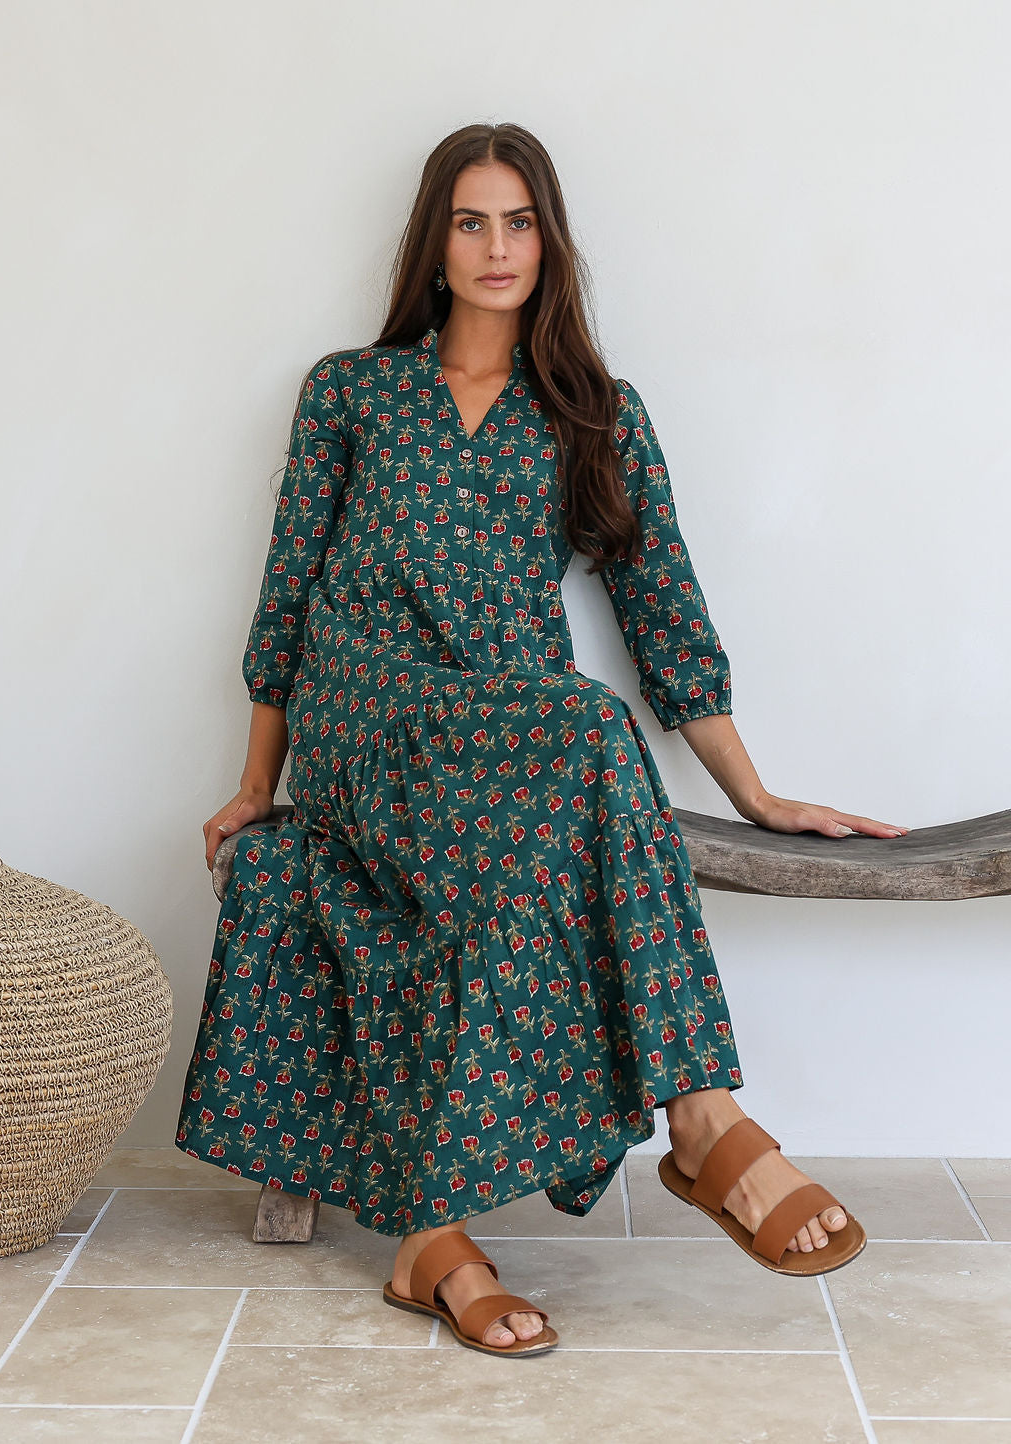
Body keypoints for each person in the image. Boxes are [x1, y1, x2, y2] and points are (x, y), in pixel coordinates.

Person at [175, 121, 909, 1358]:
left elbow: (664, 615)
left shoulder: (595, 415)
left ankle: (429, 1240)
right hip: (365, 712)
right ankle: (702, 1118)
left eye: (518, 221)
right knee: (586, 721)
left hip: (508, 733)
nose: (496, 245)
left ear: (549, 241)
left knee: (534, 800)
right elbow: (287, 593)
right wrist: (256, 780)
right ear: (435, 243)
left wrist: (757, 791)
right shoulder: (349, 391)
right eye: (470, 221)